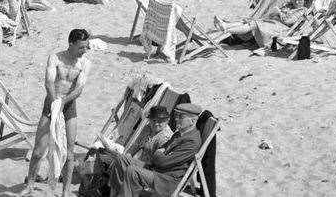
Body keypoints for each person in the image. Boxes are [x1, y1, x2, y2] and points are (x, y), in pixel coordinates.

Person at [22, 28, 93, 193]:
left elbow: (78, 90)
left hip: (69, 106)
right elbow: (48, 83)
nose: (85, 51)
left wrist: (63, 103)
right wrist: (55, 103)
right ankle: (30, 185)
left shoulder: (85, 63)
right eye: (82, 47)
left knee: (69, 153)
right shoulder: (56, 58)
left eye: (86, 47)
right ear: (71, 44)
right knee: (39, 150)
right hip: (51, 103)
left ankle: (65, 191)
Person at [96, 100, 205, 197]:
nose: (176, 119)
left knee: (132, 171)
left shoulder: (192, 141)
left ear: (192, 121)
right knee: (121, 159)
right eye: (176, 115)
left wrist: (160, 154)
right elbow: (159, 155)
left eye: (181, 117)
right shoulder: (179, 134)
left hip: (167, 179)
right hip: (157, 169)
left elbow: (162, 162)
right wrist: (160, 154)